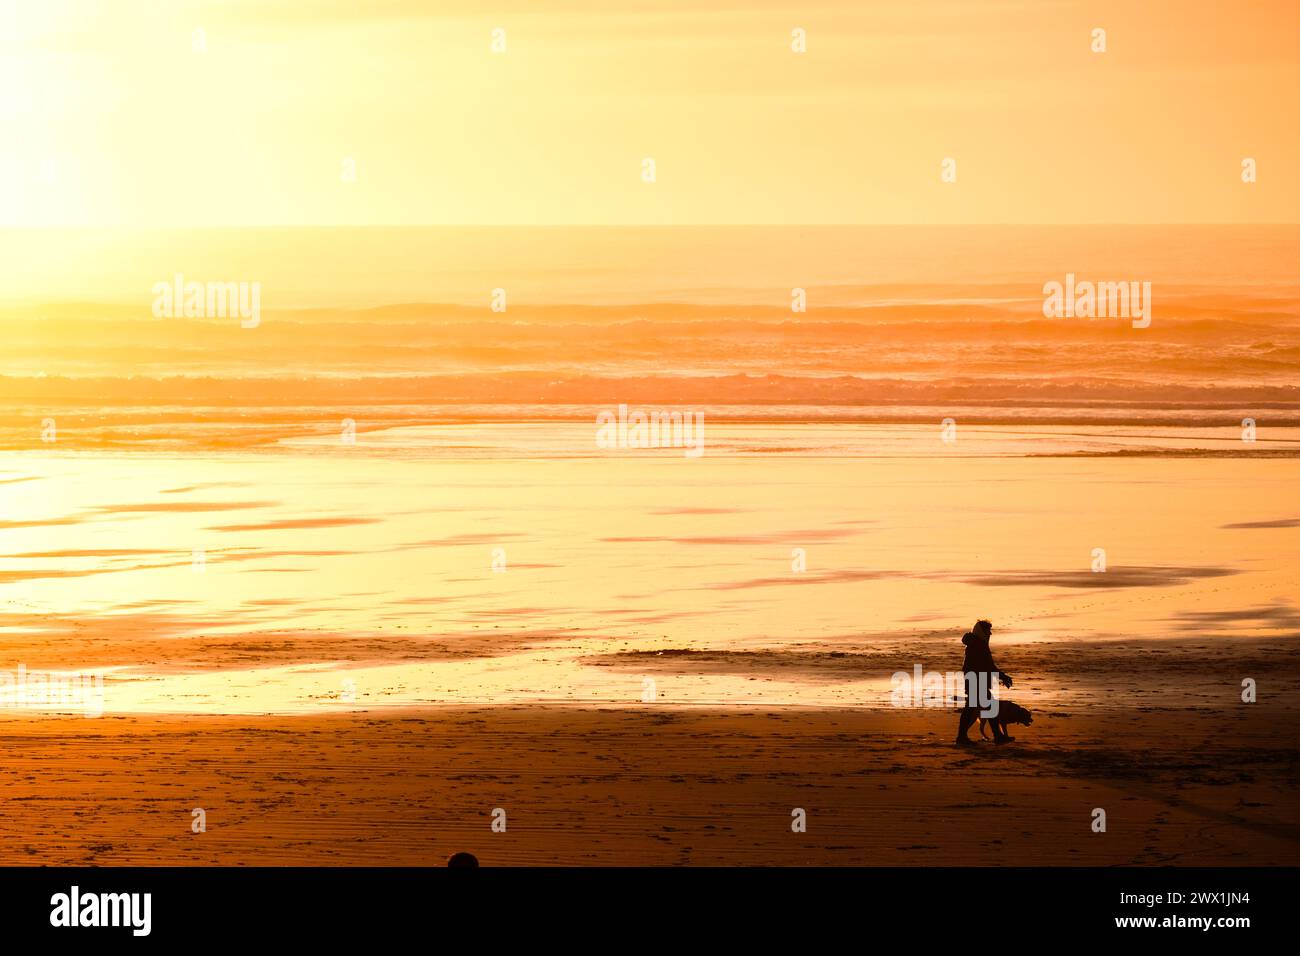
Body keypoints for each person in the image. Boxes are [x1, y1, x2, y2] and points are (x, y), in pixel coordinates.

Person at [954, 619, 1012, 746]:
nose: (990, 634)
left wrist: (1001, 677)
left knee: (978, 708)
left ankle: (996, 736)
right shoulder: (979, 645)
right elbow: (988, 666)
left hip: (975, 680)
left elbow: (987, 666)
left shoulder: (975, 644)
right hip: (977, 681)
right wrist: (1003, 677)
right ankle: (963, 737)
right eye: (988, 631)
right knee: (981, 707)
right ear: (982, 631)